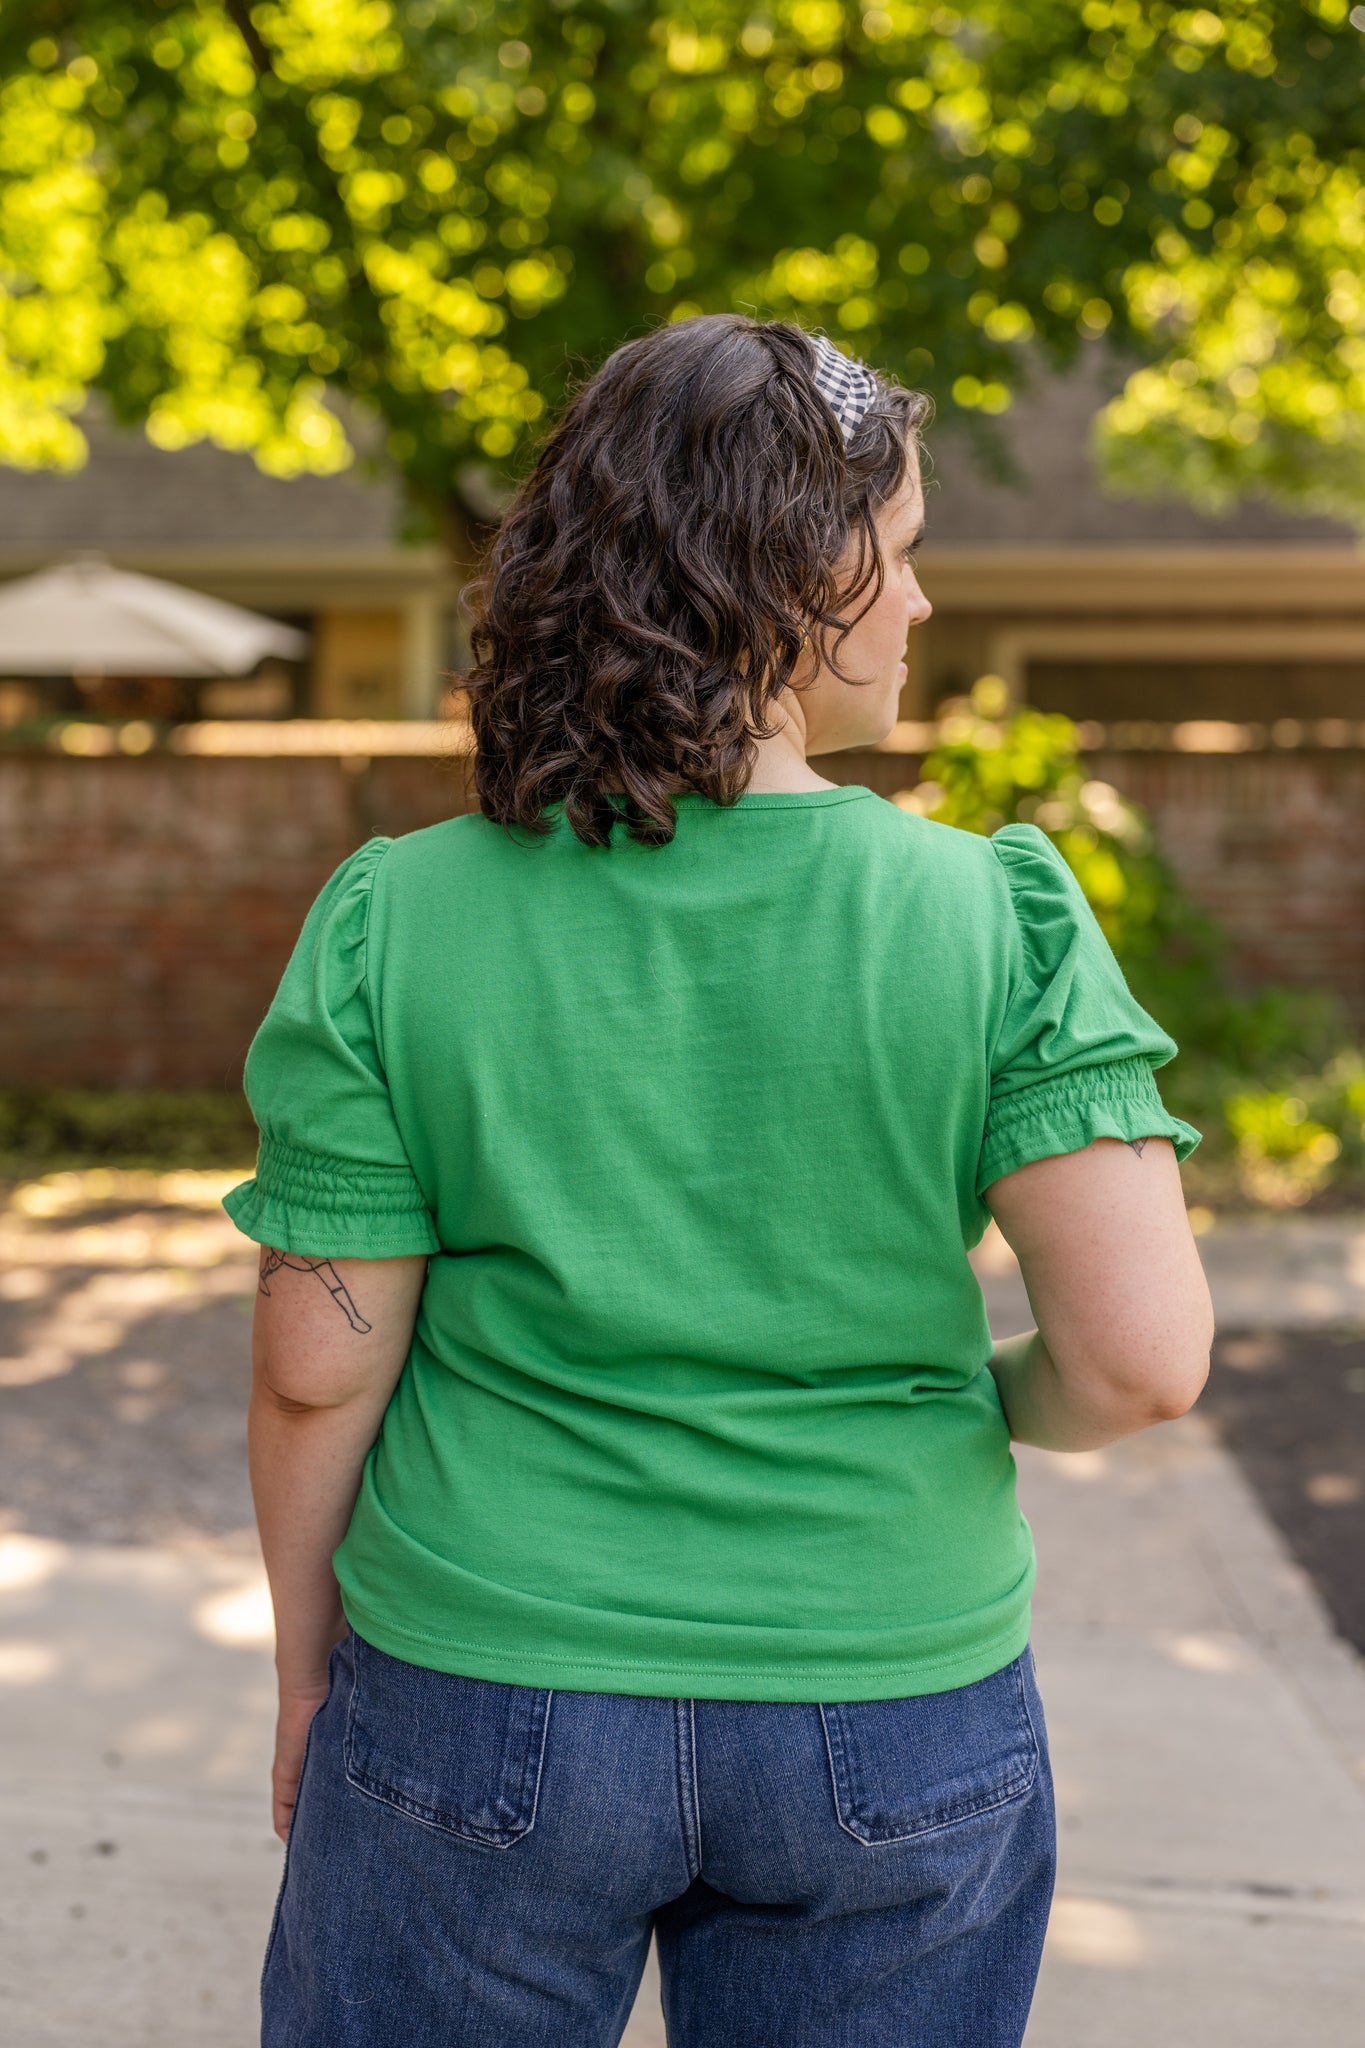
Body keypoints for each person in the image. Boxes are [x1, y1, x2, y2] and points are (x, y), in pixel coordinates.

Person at [224, 314, 1213, 2048]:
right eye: (896, 560)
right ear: (786, 580)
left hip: (481, 1681)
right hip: (890, 1692)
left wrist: (313, 1671)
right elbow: (1139, 1359)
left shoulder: (397, 917)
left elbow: (320, 1368)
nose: (917, 605)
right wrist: (954, 1405)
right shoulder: (997, 917)